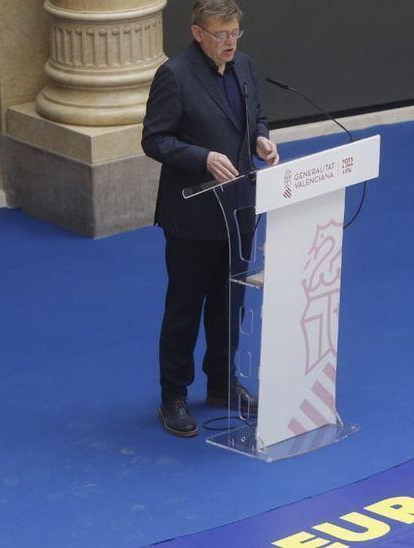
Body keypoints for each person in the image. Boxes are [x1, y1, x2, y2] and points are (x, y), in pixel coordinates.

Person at [141, 0, 279, 438]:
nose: (230, 43)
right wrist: (202, 158)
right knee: (185, 307)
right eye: (221, 35)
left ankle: (222, 383)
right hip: (193, 214)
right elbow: (154, 139)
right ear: (198, 33)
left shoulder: (244, 66)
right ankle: (173, 397)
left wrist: (261, 139)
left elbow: (255, 116)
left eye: (235, 33)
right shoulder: (175, 76)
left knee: (230, 303)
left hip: (239, 209)